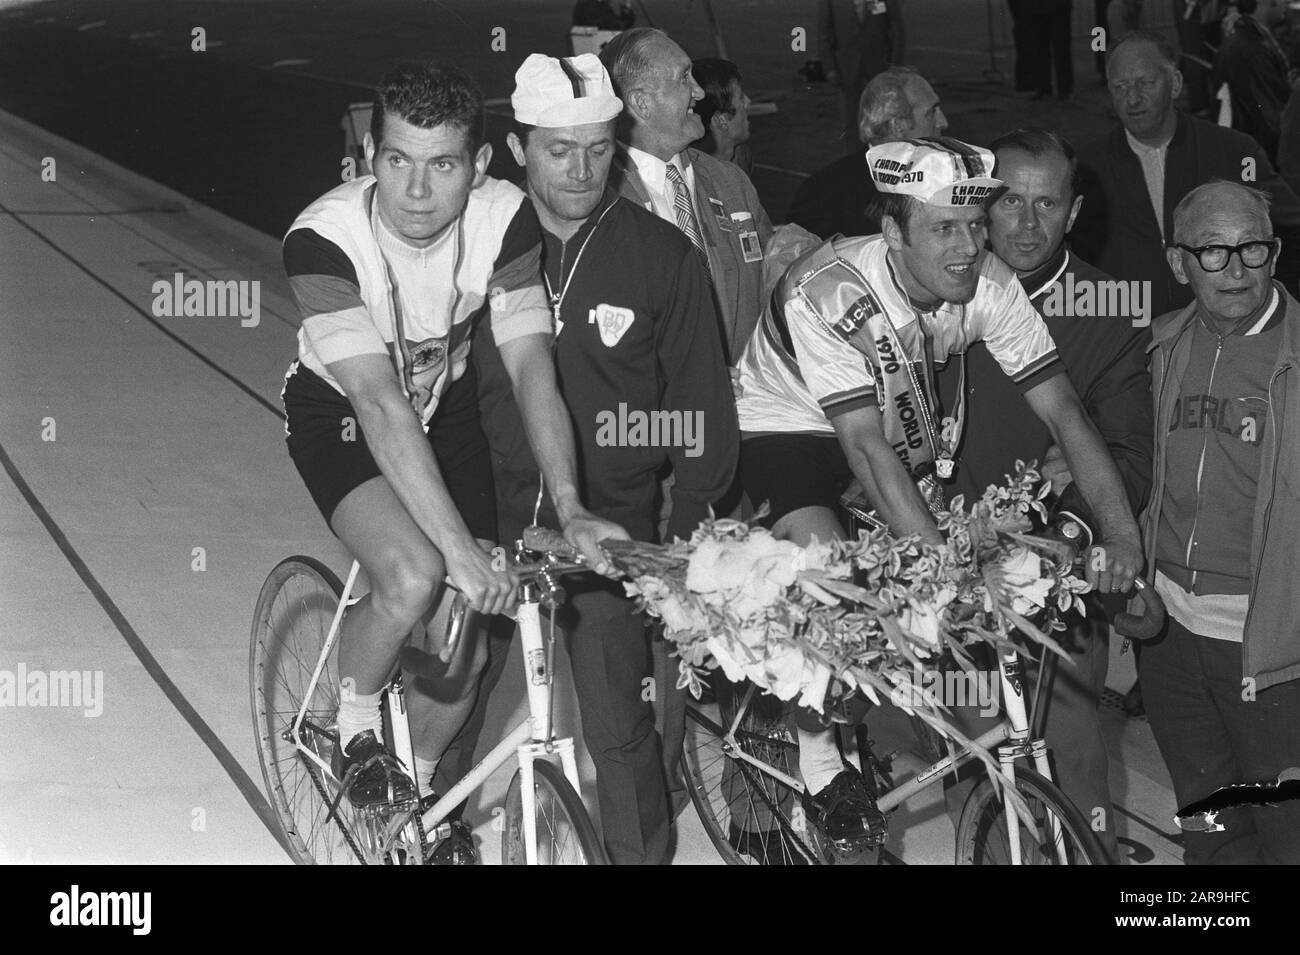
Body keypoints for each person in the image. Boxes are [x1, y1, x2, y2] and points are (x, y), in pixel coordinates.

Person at [734, 138, 1145, 851]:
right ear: (892, 233)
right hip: (790, 424)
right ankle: (821, 758)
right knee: (834, 574)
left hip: (889, 416)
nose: (969, 248)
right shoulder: (831, 292)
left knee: (923, 584)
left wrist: (1122, 536)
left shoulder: (987, 279)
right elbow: (862, 449)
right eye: (943, 229)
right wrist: (951, 580)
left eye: (975, 224)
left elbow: (1065, 414)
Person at [279, 62, 625, 842]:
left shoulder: (505, 220)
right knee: (416, 574)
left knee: (467, 650)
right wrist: (455, 550)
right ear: (370, 156)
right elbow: (377, 402)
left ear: (480, 167)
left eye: (442, 165)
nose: (417, 190)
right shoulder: (321, 238)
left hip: (446, 408)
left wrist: (571, 507)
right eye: (397, 160)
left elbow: (533, 362)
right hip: (339, 410)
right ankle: (354, 721)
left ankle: (421, 800)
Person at [436, 53, 738, 866]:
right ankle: (427, 833)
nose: (580, 169)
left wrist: (691, 543)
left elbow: (704, 416)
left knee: (620, 727)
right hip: (485, 511)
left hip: (605, 529)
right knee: (454, 688)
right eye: (558, 150)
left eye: (599, 148)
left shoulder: (664, 257)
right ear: (516, 149)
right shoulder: (473, 245)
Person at [933, 128, 1154, 864]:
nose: (1025, 225)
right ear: (980, 205)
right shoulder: (934, 283)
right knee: (971, 745)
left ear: (1073, 209)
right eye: (1008, 202)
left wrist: (1069, 528)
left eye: (1046, 204)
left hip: (1056, 576)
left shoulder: (1107, 311)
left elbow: (1126, 456)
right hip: (944, 565)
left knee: (1069, 750)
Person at [1142, 179, 1300, 864]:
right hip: (1171, 636)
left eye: (1252, 248)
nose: (1236, 269)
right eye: (1212, 251)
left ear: (1277, 253)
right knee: (1209, 830)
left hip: (1272, 649)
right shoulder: (1158, 348)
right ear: (1178, 262)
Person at [1073, 30, 1300, 320]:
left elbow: (1293, 225)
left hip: (1219, 334)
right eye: (1119, 86)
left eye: (1145, 83)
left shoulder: (1233, 152)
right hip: (1125, 339)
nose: (1132, 99)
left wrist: (1274, 302)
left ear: (1176, 84)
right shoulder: (1086, 168)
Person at [601, 28, 773, 361]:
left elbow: (771, 283)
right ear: (641, 102)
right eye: (684, 79)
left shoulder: (731, 182)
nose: (698, 92)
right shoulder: (604, 199)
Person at [786, 66, 947, 240]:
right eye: (931, 113)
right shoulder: (825, 194)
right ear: (898, 125)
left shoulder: (948, 177)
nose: (943, 122)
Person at [818, 0, 906, 152]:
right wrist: (830, 68)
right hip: (847, 70)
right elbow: (824, 33)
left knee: (885, 121)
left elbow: (897, 28)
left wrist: (894, 64)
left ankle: (884, 162)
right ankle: (855, 163)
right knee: (852, 122)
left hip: (879, 69)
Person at [1213, 0, 1292, 161]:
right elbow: (1271, 120)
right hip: (1257, 158)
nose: (1288, 4)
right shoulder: (1252, 51)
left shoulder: (1248, 40)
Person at [690, 58, 752, 171]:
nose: (748, 102)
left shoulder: (741, 155)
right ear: (721, 120)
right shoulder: (700, 180)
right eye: (741, 98)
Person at [1023, 0, 1075, 101]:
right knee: (1041, 47)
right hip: (1043, 7)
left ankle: (1061, 88)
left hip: (1056, 7)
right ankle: (1045, 86)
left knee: (1059, 48)